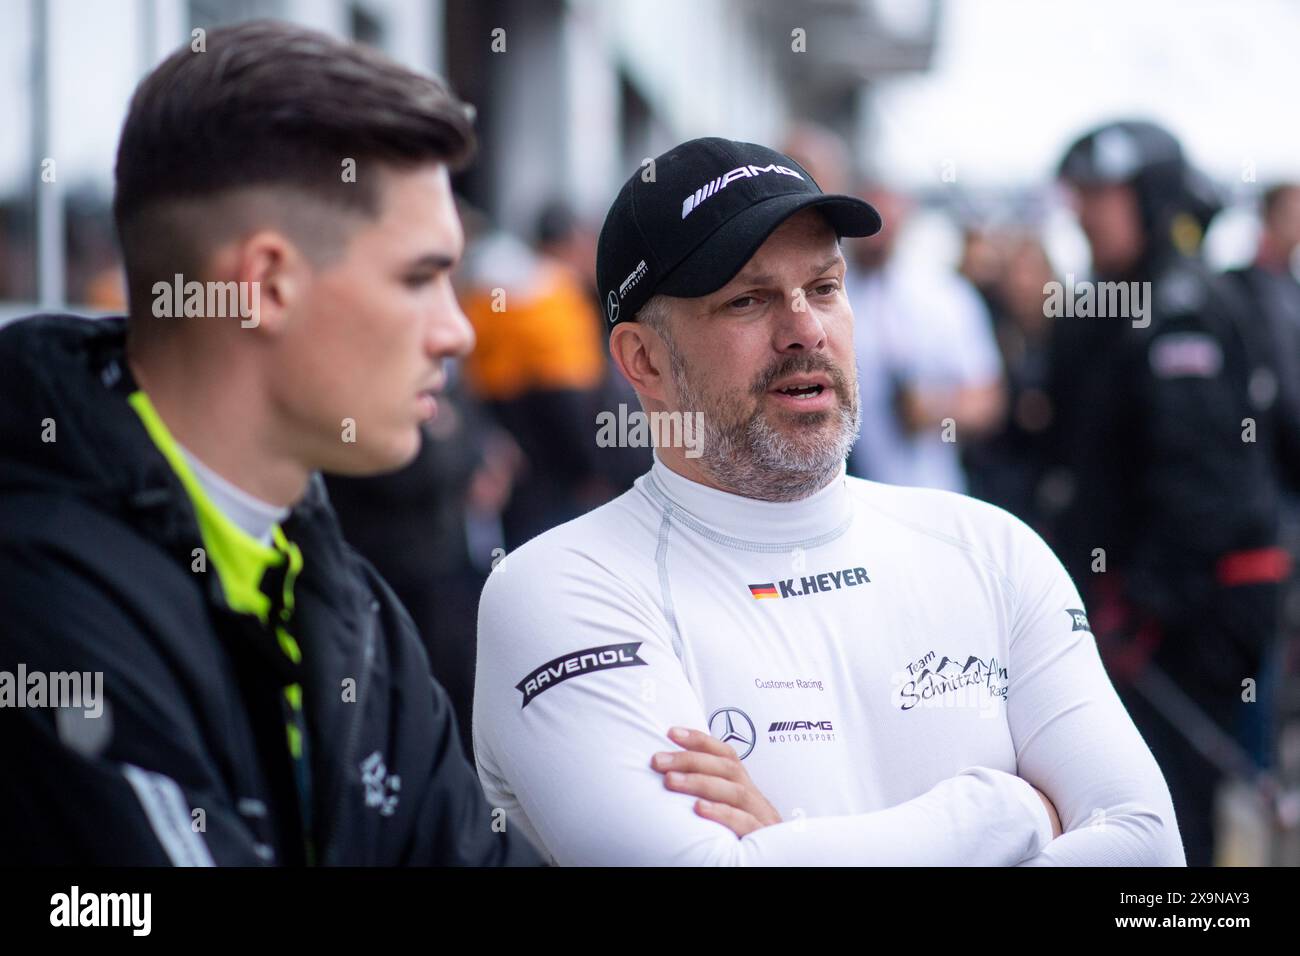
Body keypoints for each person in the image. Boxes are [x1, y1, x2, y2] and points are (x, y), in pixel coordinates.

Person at [472, 137, 1184, 866]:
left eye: (824, 287)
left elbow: (1147, 850)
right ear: (643, 361)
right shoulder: (560, 589)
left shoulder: (991, 549)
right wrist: (1006, 811)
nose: (805, 331)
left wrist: (790, 842)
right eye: (747, 300)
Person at [0, 20, 539, 866]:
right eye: (419, 278)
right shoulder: (35, 598)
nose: (458, 333)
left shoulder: (349, 606)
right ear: (264, 284)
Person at [1046, 120, 1291, 866]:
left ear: (1150, 201)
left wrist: (1142, 606)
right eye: (1078, 196)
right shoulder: (1113, 308)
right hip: (1133, 615)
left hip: (1182, 625)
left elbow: (1207, 493)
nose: (1082, 213)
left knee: (1172, 818)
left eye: (1100, 195)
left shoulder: (1182, 312)